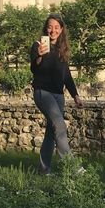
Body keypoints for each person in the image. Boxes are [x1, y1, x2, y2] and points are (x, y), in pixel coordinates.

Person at [30, 13, 83, 175]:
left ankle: (44, 170)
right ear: (46, 28)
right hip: (43, 93)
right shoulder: (38, 45)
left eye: (56, 27)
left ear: (61, 30)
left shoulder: (62, 50)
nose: (53, 30)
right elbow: (34, 67)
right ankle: (72, 167)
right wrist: (39, 54)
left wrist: (75, 95)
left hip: (58, 95)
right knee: (59, 126)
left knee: (51, 134)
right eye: (50, 27)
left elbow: (66, 75)